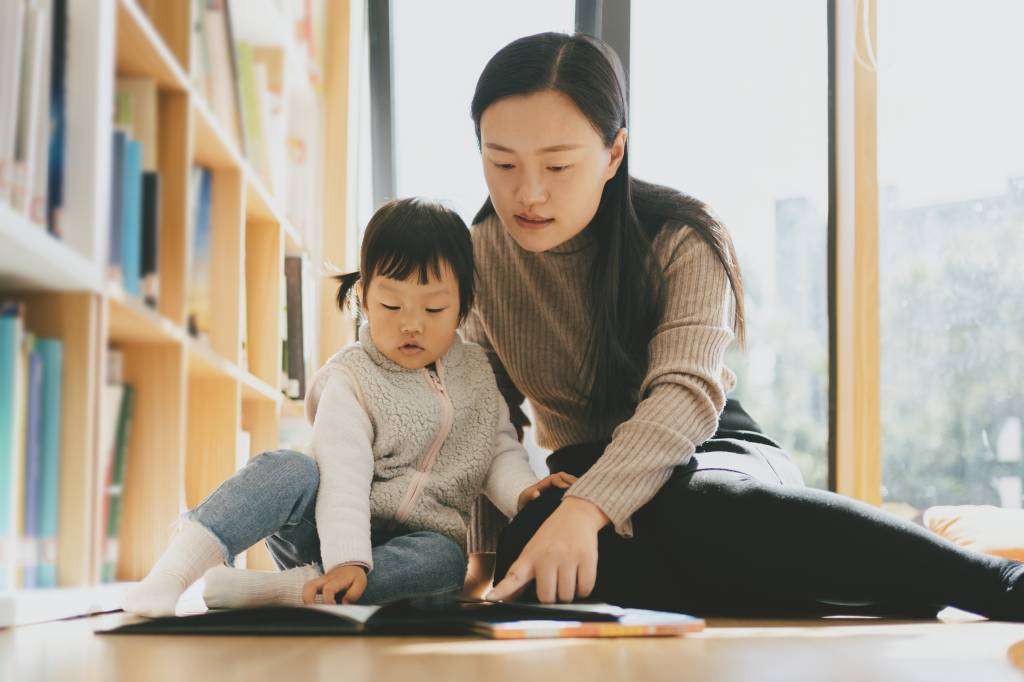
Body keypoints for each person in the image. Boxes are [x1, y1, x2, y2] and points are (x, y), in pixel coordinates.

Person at [462, 32, 1024, 621]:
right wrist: (478, 565)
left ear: (614, 153)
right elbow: (480, 417)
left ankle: (996, 581)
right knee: (528, 547)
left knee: (691, 509)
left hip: (712, 452)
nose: (528, 192)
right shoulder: (475, 257)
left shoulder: (682, 235)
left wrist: (587, 507)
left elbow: (685, 394)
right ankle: (878, 572)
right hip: (581, 470)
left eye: (558, 165)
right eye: (501, 162)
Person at [122, 197, 574, 618]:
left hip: (413, 545)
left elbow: (496, 446)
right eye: (391, 305)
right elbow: (343, 477)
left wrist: (523, 493)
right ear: (362, 298)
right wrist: (348, 560)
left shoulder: (475, 372)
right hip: (323, 527)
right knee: (287, 469)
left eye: (434, 309)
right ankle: (173, 573)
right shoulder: (353, 378)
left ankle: (281, 592)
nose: (411, 324)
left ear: (462, 309)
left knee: (445, 561)